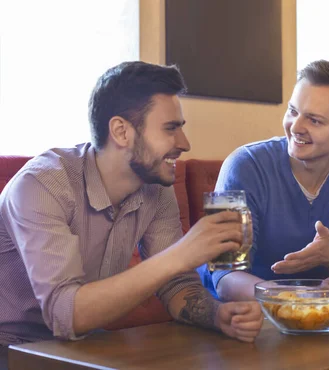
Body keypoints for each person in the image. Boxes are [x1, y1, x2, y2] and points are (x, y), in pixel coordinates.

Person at [0, 61, 263, 369]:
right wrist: (183, 253)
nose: (184, 143)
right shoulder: (43, 184)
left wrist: (218, 316)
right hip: (10, 345)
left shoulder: (154, 186)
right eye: (170, 128)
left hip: (80, 345)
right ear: (121, 131)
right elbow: (65, 315)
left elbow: (177, 285)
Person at [198, 60, 329, 312]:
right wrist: (306, 299)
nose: (296, 127)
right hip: (236, 314)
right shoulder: (241, 164)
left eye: (314, 120)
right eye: (292, 111)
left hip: (319, 316)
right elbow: (224, 279)